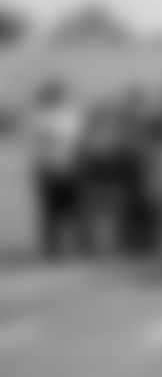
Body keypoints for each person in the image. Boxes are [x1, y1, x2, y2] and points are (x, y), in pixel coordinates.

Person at [26, 82, 89, 259]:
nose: (57, 98)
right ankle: (52, 247)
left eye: (58, 94)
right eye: (53, 94)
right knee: (51, 211)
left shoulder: (71, 115)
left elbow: (78, 142)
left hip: (70, 168)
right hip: (48, 169)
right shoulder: (38, 117)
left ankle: (79, 245)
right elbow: (36, 144)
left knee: (74, 208)